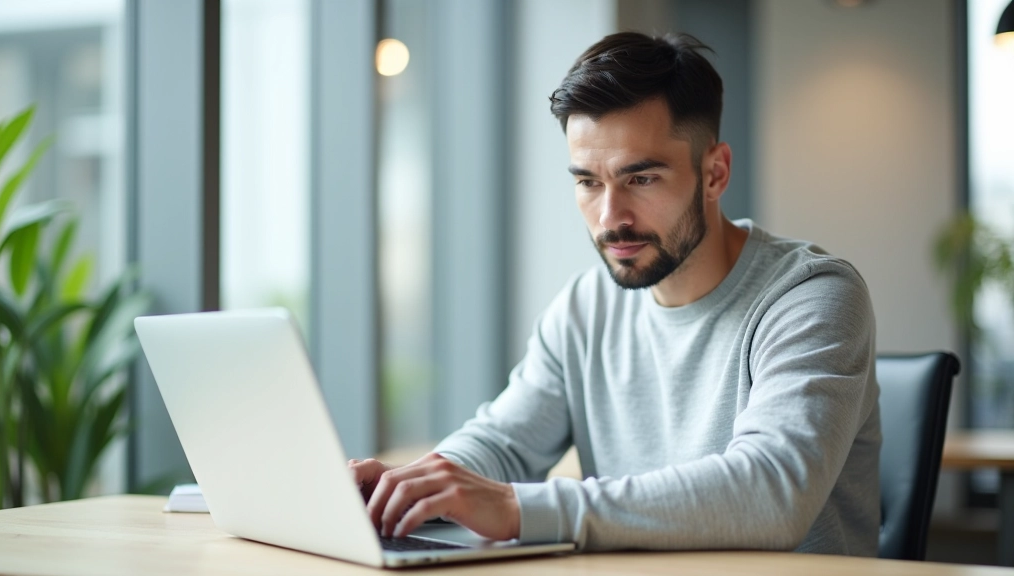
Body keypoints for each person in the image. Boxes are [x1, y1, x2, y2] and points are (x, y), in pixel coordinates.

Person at [349, 31, 880, 556]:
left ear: (714, 172)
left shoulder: (811, 297)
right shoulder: (586, 308)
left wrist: (516, 509)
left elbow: (772, 492)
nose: (610, 218)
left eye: (641, 179)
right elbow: (504, 443)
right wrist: (413, 488)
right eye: (587, 182)